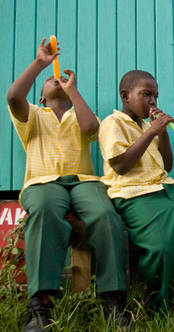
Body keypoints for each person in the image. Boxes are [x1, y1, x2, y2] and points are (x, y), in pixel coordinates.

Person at [6, 38, 129, 332]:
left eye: (60, 79)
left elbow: (91, 128)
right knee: (46, 210)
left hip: (84, 181)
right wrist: (40, 64)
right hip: (43, 182)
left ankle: (113, 299)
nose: (55, 80)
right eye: (50, 81)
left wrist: (72, 91)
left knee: (105, 215)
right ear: (40, 97)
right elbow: (13, 97)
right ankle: (40, 306)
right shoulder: (33, 116)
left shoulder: (79, 114)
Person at [98, 70, 174, 308]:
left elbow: (168, 165)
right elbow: (120, 166)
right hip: (133, 193)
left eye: (155, 96)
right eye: (145, 94)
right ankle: (158, 306)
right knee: (160, 246)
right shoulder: (113, 123)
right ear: (125, 96)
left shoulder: (147, 125)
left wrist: (161, 133)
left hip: (163, 187)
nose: (152, 101)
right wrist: (152, 131)